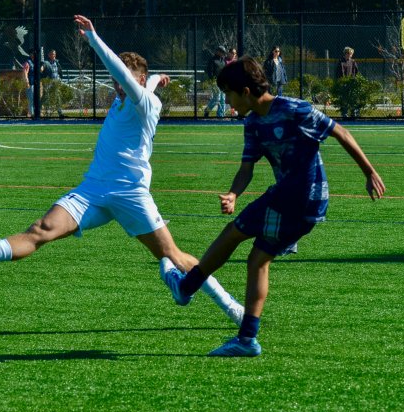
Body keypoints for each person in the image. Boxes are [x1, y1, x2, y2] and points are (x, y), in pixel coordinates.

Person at [0, 14, 244, 326]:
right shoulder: (129, 95)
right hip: (94, 190)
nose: (117, 82)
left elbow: (131, 80)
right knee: (41, 230)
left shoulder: (146, 103)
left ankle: (233, 309)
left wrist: (94, 39)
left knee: (174, 257)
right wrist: (158, 78)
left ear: (137, 81)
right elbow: (140, 80)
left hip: (131, 194)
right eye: (116, 79)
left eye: (124, 77)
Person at [161, 56, 386, 357]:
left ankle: (186, 287)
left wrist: (369, 171)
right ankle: (246, 340)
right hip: (291, 199)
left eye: (228, 94)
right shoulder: (253, 122)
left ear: (245, 90)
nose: (227, 102)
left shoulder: (294, 109)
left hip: (300, 196)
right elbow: (246, 169)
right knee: (257, 260)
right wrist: (233, 194)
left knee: (232, 233)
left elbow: (339, 131)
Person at [203, 46, 227, 118]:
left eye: (223, 52)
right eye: (221, 52)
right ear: (218, 51)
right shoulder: (212, 60)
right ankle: (207, 111)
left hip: (222, 82)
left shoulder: (223, 61)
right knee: (217, 97)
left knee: (223, 98)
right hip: (214, 82)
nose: (223, 53)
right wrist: (212, 80)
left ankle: (221, 115)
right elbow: (209, 72)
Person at [336, 47, 360, 118]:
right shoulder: (341, 61)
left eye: (351, 54)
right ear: (345, 53)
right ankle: (344, 114)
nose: (350, 55)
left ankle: (354, 113)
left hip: (351, 83)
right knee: (344, 99)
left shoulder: (353, 62)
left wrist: (354, 80)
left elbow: (356, 72)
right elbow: (338, 73)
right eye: (349, 54)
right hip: (343, 83)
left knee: (353, 98)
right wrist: (341, 82)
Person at [41, 49, 64, 118]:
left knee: (58, 97)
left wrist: (60, 79)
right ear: (49, 55)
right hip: (49, 82)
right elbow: (42, 69)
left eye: (54, 54)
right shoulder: (46, 62)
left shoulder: (57, 62)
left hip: (56, 81)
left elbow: (59, 71)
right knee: (46, 97)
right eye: (52, 54)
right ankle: (45, 112)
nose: (53, 55)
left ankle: (60, 113)